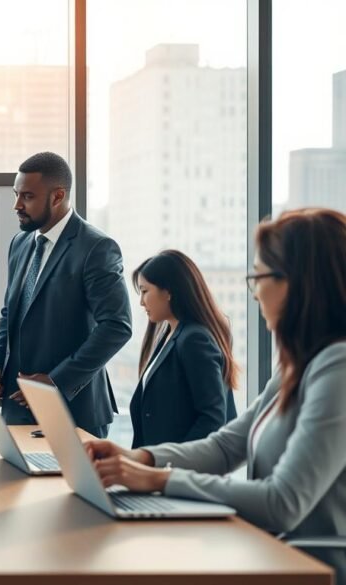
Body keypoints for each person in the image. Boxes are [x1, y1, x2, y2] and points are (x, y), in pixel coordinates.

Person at [86, 208, 346, 583]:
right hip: (274, 558)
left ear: (299, 282)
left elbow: (283, 502)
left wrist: (156, 480)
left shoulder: (337, 368)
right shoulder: (297, 365)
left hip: (314, 572)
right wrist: (137, 457)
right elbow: (226, 446)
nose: (254, 292)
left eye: (258, 277)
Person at [0, 152, 132, 438]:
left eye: (27, 196)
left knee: (69, 486)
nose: (17, 205)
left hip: (74, 410)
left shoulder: (96, 247)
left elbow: (117, 326)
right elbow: (9, 314)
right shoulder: (20, 243)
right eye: (16, 195)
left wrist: (56, 381)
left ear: (57, 196)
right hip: (17, 408)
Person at [128, 250, 239, 448]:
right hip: (157, 465)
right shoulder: (170, 333)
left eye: (145, 291)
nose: (141, 302)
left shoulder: (194, 339)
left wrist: (172, 464)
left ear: (168, 292)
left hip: (179, 470)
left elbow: (212, 418)